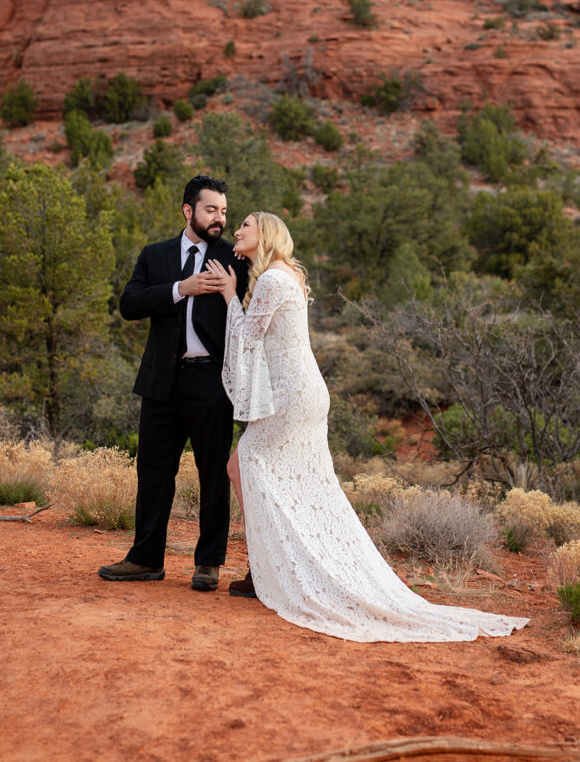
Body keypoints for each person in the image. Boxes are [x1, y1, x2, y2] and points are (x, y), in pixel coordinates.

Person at [205, 212, 530, 642]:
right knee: (286, 478)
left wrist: (229, 294)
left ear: (264, 233)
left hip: (289, 396)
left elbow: (248, 336)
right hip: (301, 393)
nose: (238, 230)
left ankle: (268, 570)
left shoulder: (268, 281)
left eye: (245, 224)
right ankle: (268, 567)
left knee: (244, 464)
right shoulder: (286, 276)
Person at [98, 175, 247, 592]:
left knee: (213, 475)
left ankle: (209, 563)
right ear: (188, 210)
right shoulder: (155, 255)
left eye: (223, 211)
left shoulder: (234, 258)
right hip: (161, 380)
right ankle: (145, 559)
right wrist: (182, 288)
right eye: (211, 210)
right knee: (153, 471)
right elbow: (129, 305)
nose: (219, 218)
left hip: (211, 382)